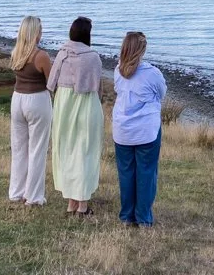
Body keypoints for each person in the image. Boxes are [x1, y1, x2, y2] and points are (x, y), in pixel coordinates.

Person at [48, 16, 104, 217]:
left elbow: (51, 82)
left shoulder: (62, 54)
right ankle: (81, 204)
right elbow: (97, 86)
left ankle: (72, 202)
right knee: (85, 151)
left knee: (67, 150)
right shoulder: (93, 57)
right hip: (85, 104)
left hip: (64, 105)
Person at [112, 31, 167, 228]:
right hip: (146, 131)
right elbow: (161, 93)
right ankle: (143, 217)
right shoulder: (152, 73)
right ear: (142, 50)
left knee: (126, 173)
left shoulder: (118, 70)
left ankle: (127, 215)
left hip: (123, 130)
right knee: (146, 173)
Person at [7, 15, 53, 207]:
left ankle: (16, 192)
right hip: (37, 100)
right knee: (37, 149)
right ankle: (33, 196)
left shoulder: (16, 52)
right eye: (40, 30)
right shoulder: (41, 56)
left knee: (19, 148)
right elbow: (52, 83)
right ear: (36, 32)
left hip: (17, 99)